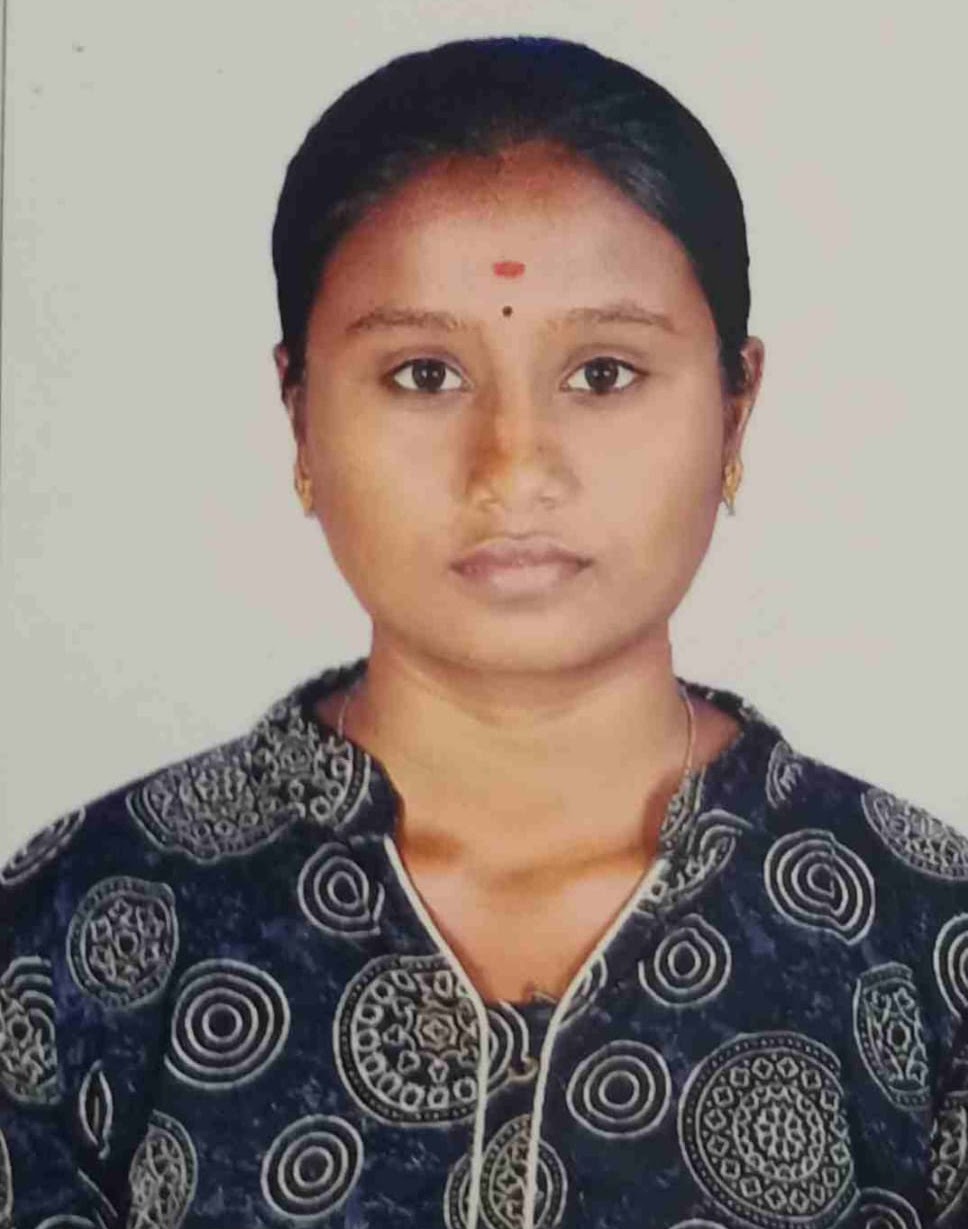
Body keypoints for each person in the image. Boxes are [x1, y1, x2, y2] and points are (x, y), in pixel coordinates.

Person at [1, 32, 965, 1229]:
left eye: (602, 373)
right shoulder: (73, 938)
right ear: (299, 416)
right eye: (422, 374)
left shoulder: (925, 940)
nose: (512, 466)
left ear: (733, 410)